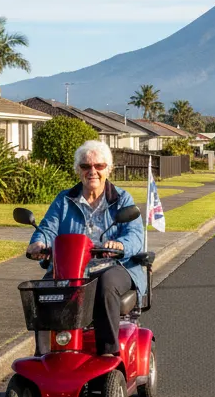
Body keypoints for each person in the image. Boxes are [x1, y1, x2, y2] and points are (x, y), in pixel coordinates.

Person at [26, 139, 147, 356]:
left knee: (106, 284)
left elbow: (135, 235)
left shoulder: (121, 199)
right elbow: (47, 228)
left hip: (115, 265)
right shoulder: (64, 200)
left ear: (108, 169)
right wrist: (39, 243)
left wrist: (120, 245)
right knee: (45, 289)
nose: (93, 171)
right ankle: (45, 354)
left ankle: (108, 353)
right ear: (78, 170)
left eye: (99, 166)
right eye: (85, 166)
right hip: (71, 267)